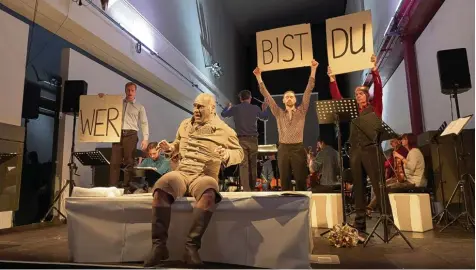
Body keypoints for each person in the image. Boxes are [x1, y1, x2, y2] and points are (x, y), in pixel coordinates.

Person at [144, 93, 243, 267]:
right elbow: (177, 143)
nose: (196, 110)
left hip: (203, 175)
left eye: (200, 107)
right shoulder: (184, 125)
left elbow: (239, 153)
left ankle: (191, 247)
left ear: (212, 109)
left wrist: (227, 154)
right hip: (182, 172)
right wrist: (170, 147)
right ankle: (159, 246)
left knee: (209, 193)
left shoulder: (224, 130)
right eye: (195, 106)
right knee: (160, 188)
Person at [328, 54, 384, 233]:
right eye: (356, 94)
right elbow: (338, 98)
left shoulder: (375, 106)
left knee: (378, 185)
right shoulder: (352, 111)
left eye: (360, 94)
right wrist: (332, 79)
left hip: (371, 150)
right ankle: (360, 225)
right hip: (355, 152)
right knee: (358, 188)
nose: (357, 96)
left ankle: (388, 221)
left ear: (367, 96)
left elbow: (380, 90)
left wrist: (375, 71)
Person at [253, 60, 318, 191]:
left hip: (298, 148)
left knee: (300, 179)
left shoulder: (301, 111)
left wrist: (313, 69)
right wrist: (258, 76)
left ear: (295, 100)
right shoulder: (278, 112)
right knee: (285, 179)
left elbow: (308, 90)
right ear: (283, 100)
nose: (289, 98)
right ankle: (287, 207)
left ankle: (302, 207)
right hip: (283, 148)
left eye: (291, 97)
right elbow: (266, 95)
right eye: (286, 97)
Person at [99, 82, 149, 191]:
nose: (130, 92)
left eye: (132, 90)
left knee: (129, 161)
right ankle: (112, 187)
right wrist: (102, 99)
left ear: (135, 92)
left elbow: (144, 123)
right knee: (114, 162)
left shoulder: (140, 107)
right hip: (117, 134)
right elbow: (107, 107)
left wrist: (145, 138)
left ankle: (127, 187)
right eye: (128, 90)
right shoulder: (119, 103)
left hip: (131, 134)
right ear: (125, 91)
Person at [221, 90, 269, 191]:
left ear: (240, 99)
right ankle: (252, 188)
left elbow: (223, 114)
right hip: (253, 140)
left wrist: (228, 106)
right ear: (250, 98)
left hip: (241, 140)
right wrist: (264, 108)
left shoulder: (236, 108)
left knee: (243, 165)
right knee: (253, 165)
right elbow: (265, 117)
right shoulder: (255, 108)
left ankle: (246, 190)